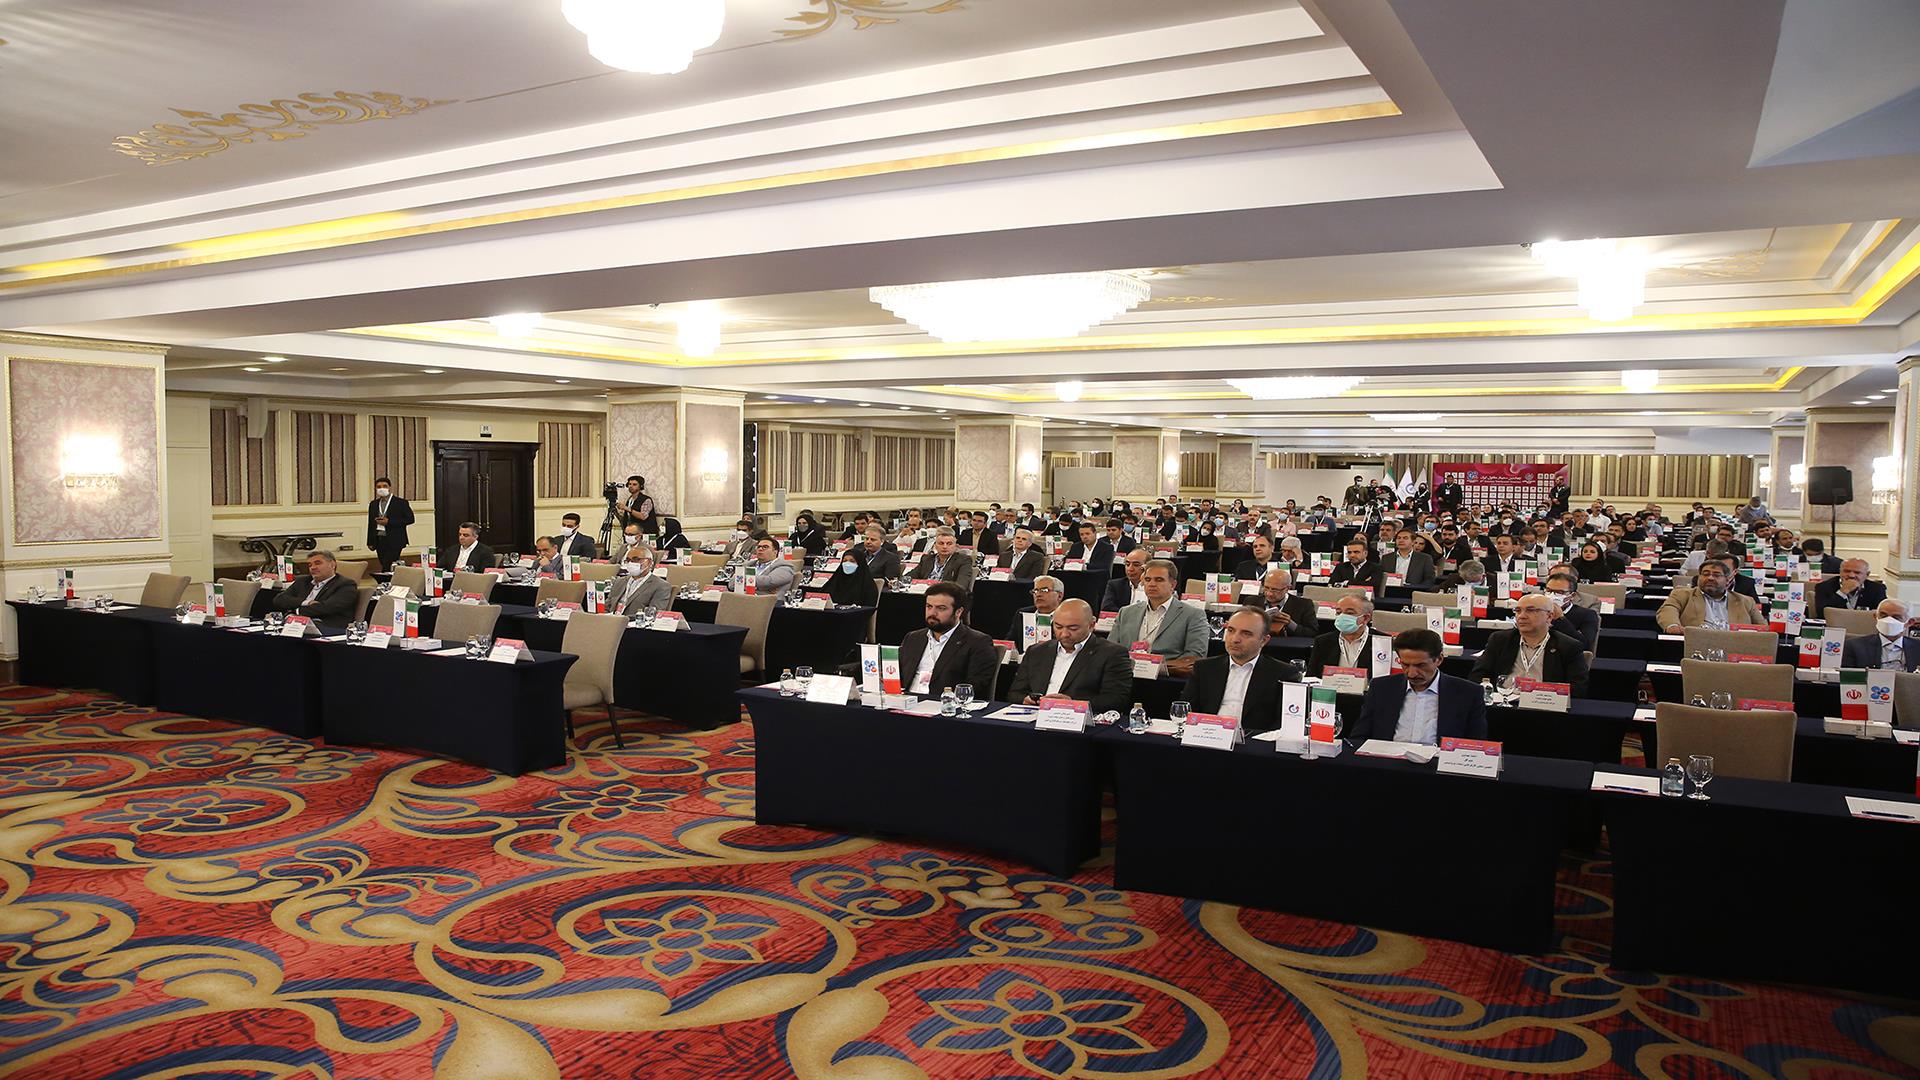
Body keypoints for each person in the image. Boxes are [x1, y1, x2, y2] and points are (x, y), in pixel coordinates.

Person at [1347, 629, 1488, 745]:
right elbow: (1359, 737)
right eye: (1405, 665)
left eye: (1421, 665)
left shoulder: (1468, 693)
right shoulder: (1381, 688)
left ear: (1439, 659)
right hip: (1387, 763)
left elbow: (1475, 744)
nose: (1412, 673)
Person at [1182, 608, 1301, 734]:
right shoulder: (1204, 668)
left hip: (1254, 741)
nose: (1235, 639)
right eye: (1231, 630)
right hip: (1207, 737)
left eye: (1246, 634)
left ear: (1264, 640)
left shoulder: (1284, 674)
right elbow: (1187, 710)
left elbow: (1285, 723)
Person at [1007, 599, 1133, 715]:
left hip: (1079, 721)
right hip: (1035, 717)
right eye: (1058, 627)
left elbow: (1116, 700)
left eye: (1073, 628)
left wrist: (1073, 703)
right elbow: (1014, 693)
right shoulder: (1036, 651)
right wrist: (1026, 699)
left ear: (1091, 625)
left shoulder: (1112, 654)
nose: (1064, 634)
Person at [1470, 593, 1591, 696]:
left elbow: (1578, 688)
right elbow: (1477, 676)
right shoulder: (1500, 639)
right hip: (1503, 701)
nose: (1522, 616)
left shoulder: (1568, 646)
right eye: (1518, 611)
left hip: (1544, 705)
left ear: (1549, 616)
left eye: (1530, 610)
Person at [892, 583, 998, 696]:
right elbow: (897, 675)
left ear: (958, 612)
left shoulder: (977, 642)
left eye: (941, 608)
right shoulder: (913, 638)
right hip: (905, 700)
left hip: (944, 703)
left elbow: (974, 687)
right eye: (929, 606)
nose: (932, 613)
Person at [1109, 559, 1209, 674]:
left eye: (1159, 580)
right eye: (1147, 579)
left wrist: (1156, 668)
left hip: (1166, 678)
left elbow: (1195, 656)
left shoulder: (1193, 615)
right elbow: (1111, 649)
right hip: (1125, 675)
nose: (1152, 584)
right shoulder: (1126, 612)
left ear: (1173, 585)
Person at [1656, 559, 1761, 633]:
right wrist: (1673, 625)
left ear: (1727, 580)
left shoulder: (1746, 601)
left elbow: (1763, 629)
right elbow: (1668, 609)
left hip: (1735, 648)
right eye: (1705, 574)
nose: (1710, 578)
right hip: (1696, 645)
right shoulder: (1682, 594)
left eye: (1716, 575)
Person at [270, 550, 360, 628]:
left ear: (332, 565)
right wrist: (306, 602)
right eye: (310, 565)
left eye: (318, 563)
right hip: (297, 624)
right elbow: (279, 599)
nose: (312, 567)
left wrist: (296, 611)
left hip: (326, 625)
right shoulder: (303, 581)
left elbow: (326, 608)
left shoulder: (345, 585)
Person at [1839, 599, 1920, 671]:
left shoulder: (1917, 648)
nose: (1888, 621)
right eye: (1883, 616)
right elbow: (1848, 679)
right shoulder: (1853, 646)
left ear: (1910, 622)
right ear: (1875, 617)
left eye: (1896, 617)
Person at [1305, 595, 1374, 676]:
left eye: (1350, 613)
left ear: (1366, 618)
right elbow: (1311, 676)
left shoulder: (1381, 642)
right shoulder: (1322, 641)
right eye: (1338, 612)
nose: (1342, 616)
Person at [1541, 571, 1600, 653]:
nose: (1552, 596)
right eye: (1549, 591)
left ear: (1572, 596)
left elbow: (1584, 645)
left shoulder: (1586, 615)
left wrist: (1560, 619)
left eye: (1560, 592)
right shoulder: (1537, 611)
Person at [365, 476, 414, 571]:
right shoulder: (373, 504)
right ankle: (391, 578)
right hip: (379, 539)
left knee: (388, 565)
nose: (381, 488)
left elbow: (410, 519)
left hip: (395, 539)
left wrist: (389, 522)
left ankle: (385, 579)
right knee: (383, 562)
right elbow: (371, 524)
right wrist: (370, 541)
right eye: (379, 487)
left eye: (384, 486)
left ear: (389, 487)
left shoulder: (401, 503)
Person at [1257, 567, 1318, 638]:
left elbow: (1312, 633)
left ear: (1287, 588)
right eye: (1266, 588)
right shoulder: (1252, 602)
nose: (1269, 593)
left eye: (1275, 590)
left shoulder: (1304, 605)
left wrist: (1291, 624)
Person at [908, 527, 978, 589]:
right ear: (935, 546)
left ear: (955, 546)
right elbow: (908, 578)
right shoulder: (926, 559)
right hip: (922, 593)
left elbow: (961, 584)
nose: (945, 547)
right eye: (941, 543)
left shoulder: (963, 560)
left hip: (946, 595)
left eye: (949, 544)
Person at [612, 546, 673, 615]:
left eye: (636, 559)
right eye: (628, 560)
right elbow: (607, 607)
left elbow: (653, 614)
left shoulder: (661, 586)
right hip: (611, 619)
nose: (631, 563)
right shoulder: (619, 582)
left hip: (634, 620)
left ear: (649, 562)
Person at [1813, 558, 1885, 615]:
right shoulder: (1824, 587)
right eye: (1847, 571)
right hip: (1836, 626)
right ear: (1840, 572)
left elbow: (1881, 614)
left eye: (1857, 572)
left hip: (1865, 626)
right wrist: (1843, 591)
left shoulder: (1877, 589)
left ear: (1867, 574)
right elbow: (1821, 613)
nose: (1851, 575)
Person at [1008, 575, 1066, 645]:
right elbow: (1010, 642)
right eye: (1035, 591)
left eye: (1044, 590)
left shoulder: (1067, 616)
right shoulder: (1022, 614)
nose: (1038, 594)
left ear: (1059, 596)